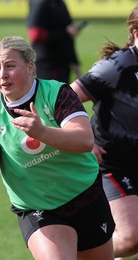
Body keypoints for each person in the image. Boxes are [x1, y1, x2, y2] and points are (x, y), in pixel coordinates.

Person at [0, 36, 116, 260]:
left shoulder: (57, 93)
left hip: (86, 196)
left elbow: (84, 140)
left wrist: (42, 132)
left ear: (30, 66)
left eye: (10, 66)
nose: (2, 74)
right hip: (39, 209)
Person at [70, 6, 138, 259]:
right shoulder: (118, 65)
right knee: (131, 238)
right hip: (115, 163)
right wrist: (85, 141)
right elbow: (65, 100)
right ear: (136, 32)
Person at [27, 0, 84, 84]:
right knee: (50, 96)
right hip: (47, 65)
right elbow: (35, 35)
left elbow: (69, 34)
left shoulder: (60, 3)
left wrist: (75, 61)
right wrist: (65, 32)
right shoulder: (40, 3)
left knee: (62, 95)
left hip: (63, 63)